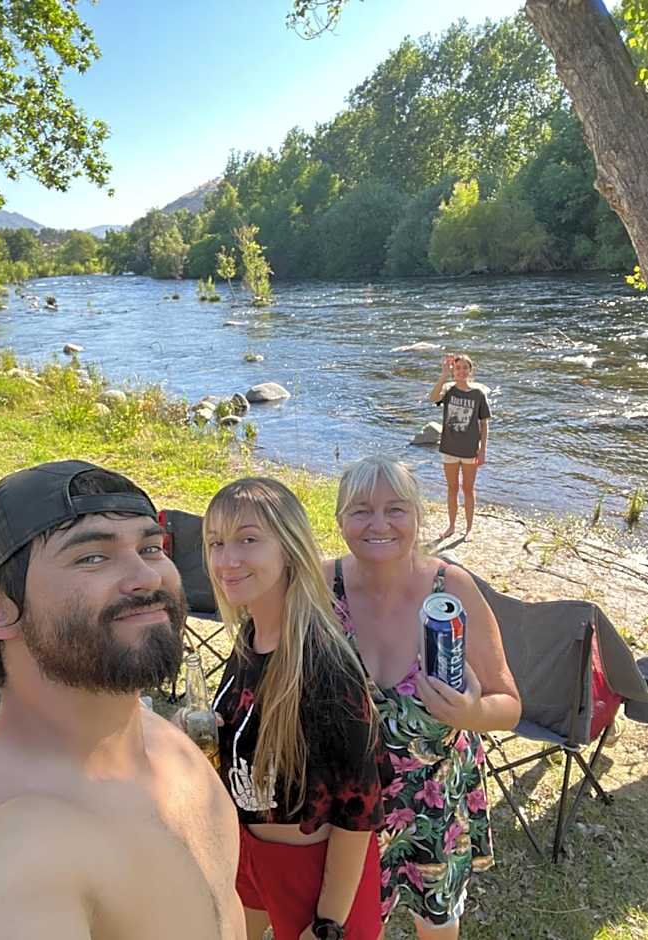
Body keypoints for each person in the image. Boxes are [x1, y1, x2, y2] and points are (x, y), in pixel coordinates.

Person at [0, 460, 245, 940]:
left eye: (151, 547)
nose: (147, 577)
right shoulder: (6, 875)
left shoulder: (169, 746)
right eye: (92, 557)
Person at [325, 456, 521, 940]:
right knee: (347, 923)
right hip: (347, 808)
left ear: (418, 516)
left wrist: (473, 712)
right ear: (339, 521)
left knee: (436, 925)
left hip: (435, 803)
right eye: (361, 511)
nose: (378, 524)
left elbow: (510, 704)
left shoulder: (451, 589)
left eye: (395, 509)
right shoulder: (320, 586)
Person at [204, 477, 388, 940]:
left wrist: (328, 923)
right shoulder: (252, 636)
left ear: (288, 548)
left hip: (314, 872)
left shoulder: (323, 664)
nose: (227, 560)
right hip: (250, 851)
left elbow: (359, 809)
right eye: (216, 543)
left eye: (248, 540)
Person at [428, 353, 491, 539]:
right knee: (452, 488)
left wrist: (483, 450)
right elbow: (432, 398)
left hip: (470, 449)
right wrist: (443, 375)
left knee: (468, 489)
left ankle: (469, 529)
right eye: (457, 368)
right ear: (453, 371)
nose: (461, 372)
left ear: (471, 371)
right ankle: (451, 526)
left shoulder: (478, 394)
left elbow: (484, 424)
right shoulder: (448, 391)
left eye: (465, 368)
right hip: (450, 448)